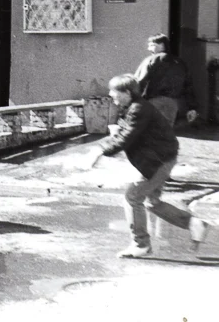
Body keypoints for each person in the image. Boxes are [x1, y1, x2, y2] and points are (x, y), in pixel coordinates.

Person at [88, 74, 211, 258]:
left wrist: (101, 151)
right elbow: (124, 132)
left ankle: (141, 245)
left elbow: (126, 138)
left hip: (158, 162)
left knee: (133, 197)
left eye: (114, 91)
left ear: (127, 92)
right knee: (151, 202)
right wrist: (105, 145)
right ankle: (194, 224)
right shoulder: (133, 107)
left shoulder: (139, 109)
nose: (111, 94)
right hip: (161, 159)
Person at [134, 33, 199, 126]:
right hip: (172, 104)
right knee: (165, 133)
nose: (148, 48)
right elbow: (188, 86)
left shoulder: (151, 60)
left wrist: (133, 101)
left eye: (152, 45)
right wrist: (192, 107)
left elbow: (139, 81)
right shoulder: (180, 62)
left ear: (161, 45)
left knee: (149, 132)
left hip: (153, 101)